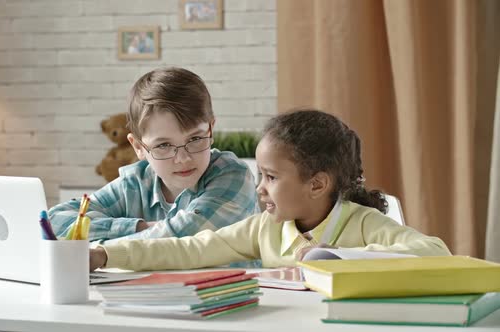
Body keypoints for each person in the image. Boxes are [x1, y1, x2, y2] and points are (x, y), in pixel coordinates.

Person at [89, 109, 451, 271]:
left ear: (317, 184)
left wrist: (341, 258)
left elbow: (435, 252)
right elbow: (189, 249)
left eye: (272, 178)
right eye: (260, 175)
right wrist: (106, 254)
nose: (260, 189)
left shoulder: (362, 224)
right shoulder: (266, 228)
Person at [49, 67, 259, 248]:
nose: (183, 158)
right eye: (164, 145)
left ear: (211, 130)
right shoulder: (134, 184)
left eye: (195, 138)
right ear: (138, 147)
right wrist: (140, 226)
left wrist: (100, 249)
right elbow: (53, 223)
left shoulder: (234, 176)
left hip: (225, 294)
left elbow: (181, 241)